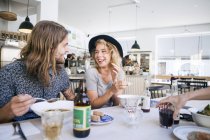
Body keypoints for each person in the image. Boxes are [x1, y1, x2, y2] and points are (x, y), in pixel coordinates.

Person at [0, 20, 75, 123]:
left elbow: (71, 98)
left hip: (52, 127)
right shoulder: (9, 73)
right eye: (64, 45)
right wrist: (8, 111)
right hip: (19, 131)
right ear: (50, 47)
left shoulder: (60, 72)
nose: (68, 50)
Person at [85, 35, 127, 109]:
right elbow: (93, 104)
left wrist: (115, 82)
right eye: (96, 52)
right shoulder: (91, 73)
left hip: (112, 114)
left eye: (103, 51)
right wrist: (111, 90)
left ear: (112, 54)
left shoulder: (120, 72)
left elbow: (117, 103)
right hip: (95, 114)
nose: (98, 55)